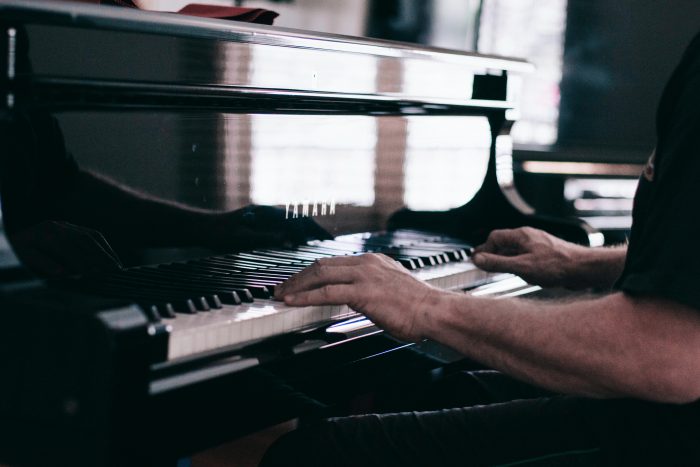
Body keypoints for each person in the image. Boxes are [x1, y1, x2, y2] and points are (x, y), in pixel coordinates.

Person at [261, 29, 700, 467]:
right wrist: (579, 263)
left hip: (665, 436)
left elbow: (667, 353)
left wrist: (426, 306)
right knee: (439, 392)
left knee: (311, 457)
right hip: (663, 411)